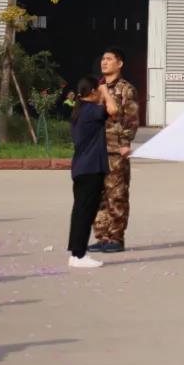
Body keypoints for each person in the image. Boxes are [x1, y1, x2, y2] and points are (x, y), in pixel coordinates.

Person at [88, 47, 140, 254]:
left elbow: (132, 118)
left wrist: (125, 142)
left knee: (116, 195)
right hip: (96, 149)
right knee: (97, 195)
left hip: (115, 150)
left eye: (109, 59)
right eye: (103, 59)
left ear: (119, 63)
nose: (104, 62)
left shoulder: (126, 89)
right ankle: (102, 236)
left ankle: (116, 237)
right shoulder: (96, 88)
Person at [67, 76, 118, 269]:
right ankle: (79, 255)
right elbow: (113, 110)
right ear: (93, 91)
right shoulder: (91, 111)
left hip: (82, 168)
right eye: (98, 90)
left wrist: (100, 91)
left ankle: (76, 253)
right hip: (90, 169)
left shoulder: (80, 110)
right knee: (85, 213)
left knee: (81, 211)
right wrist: (105, 91)